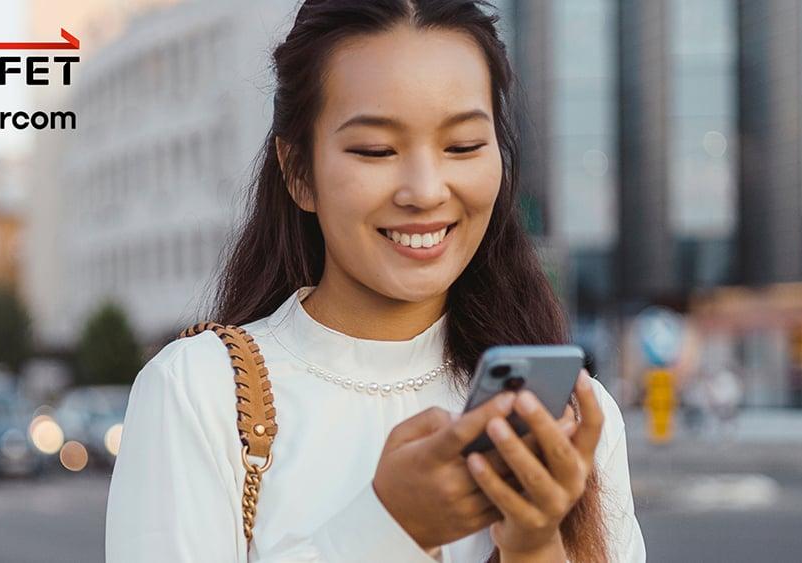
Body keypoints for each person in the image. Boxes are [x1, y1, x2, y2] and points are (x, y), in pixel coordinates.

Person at [105, 1, 646, 561]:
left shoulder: (571, 417)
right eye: (375, 150)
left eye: (462, 146)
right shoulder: (198, 392)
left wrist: (534, 543)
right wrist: (390, 527)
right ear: (298, 173)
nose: (426, 190)